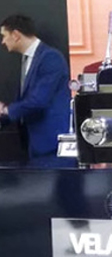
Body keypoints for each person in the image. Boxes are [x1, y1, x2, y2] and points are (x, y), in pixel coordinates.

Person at [0, 14, 70, 158]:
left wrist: (6, 110)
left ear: (16, 35)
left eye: (4, 36)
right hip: (32, 141)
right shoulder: (27, 59)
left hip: (50, 142)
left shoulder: (51, 58)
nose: (3, 41)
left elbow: (39, 100)